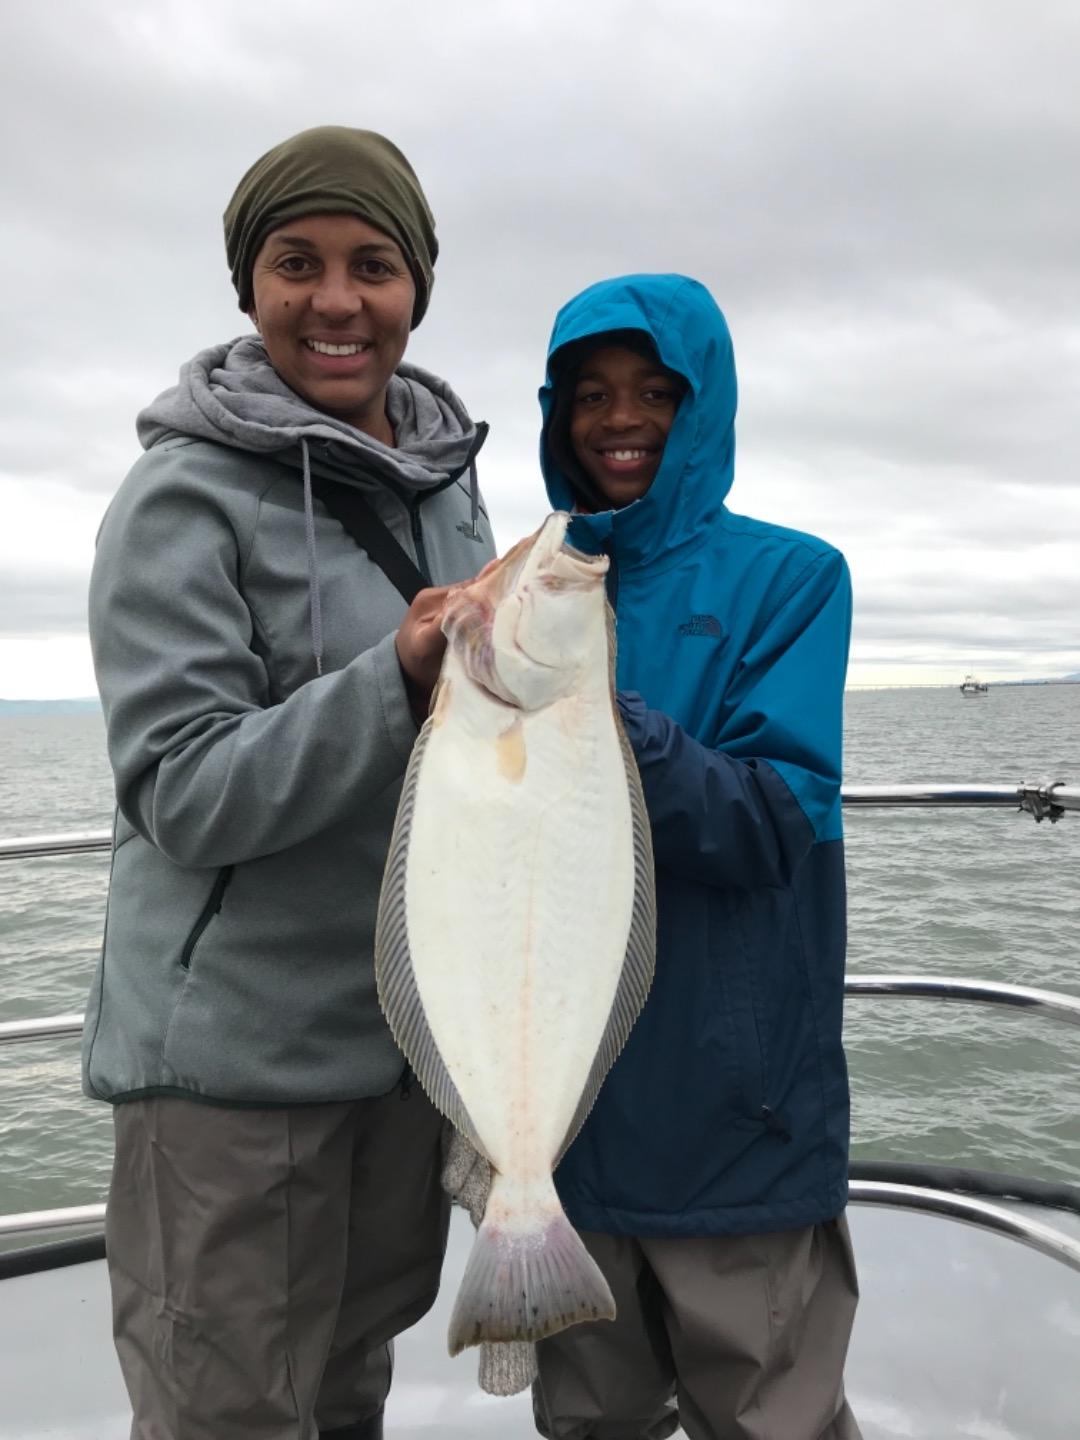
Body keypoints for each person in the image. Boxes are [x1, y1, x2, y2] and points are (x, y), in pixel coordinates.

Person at [83, 126, 495, 1440]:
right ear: (246, 286)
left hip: (390, 1067)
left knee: (346, 1392)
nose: (335, 300)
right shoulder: (180, 499)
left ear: (417, 285)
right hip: (229, 1086)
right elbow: (184, 789)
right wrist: (399, 680)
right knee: (228, 1414)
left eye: (373, 264)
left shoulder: (449, 482)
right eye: (295, 262)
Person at [531, 275, 859, 1440]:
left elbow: (777, 819)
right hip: (561, 1131)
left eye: (655, 391)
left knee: (773, 1420)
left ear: (704, 401)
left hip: (739, 1123)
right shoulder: (528, 581)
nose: (620, 418)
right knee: (588, 1423)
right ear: (555, 416)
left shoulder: (793, 577)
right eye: (590, 395)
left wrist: (608, 728)